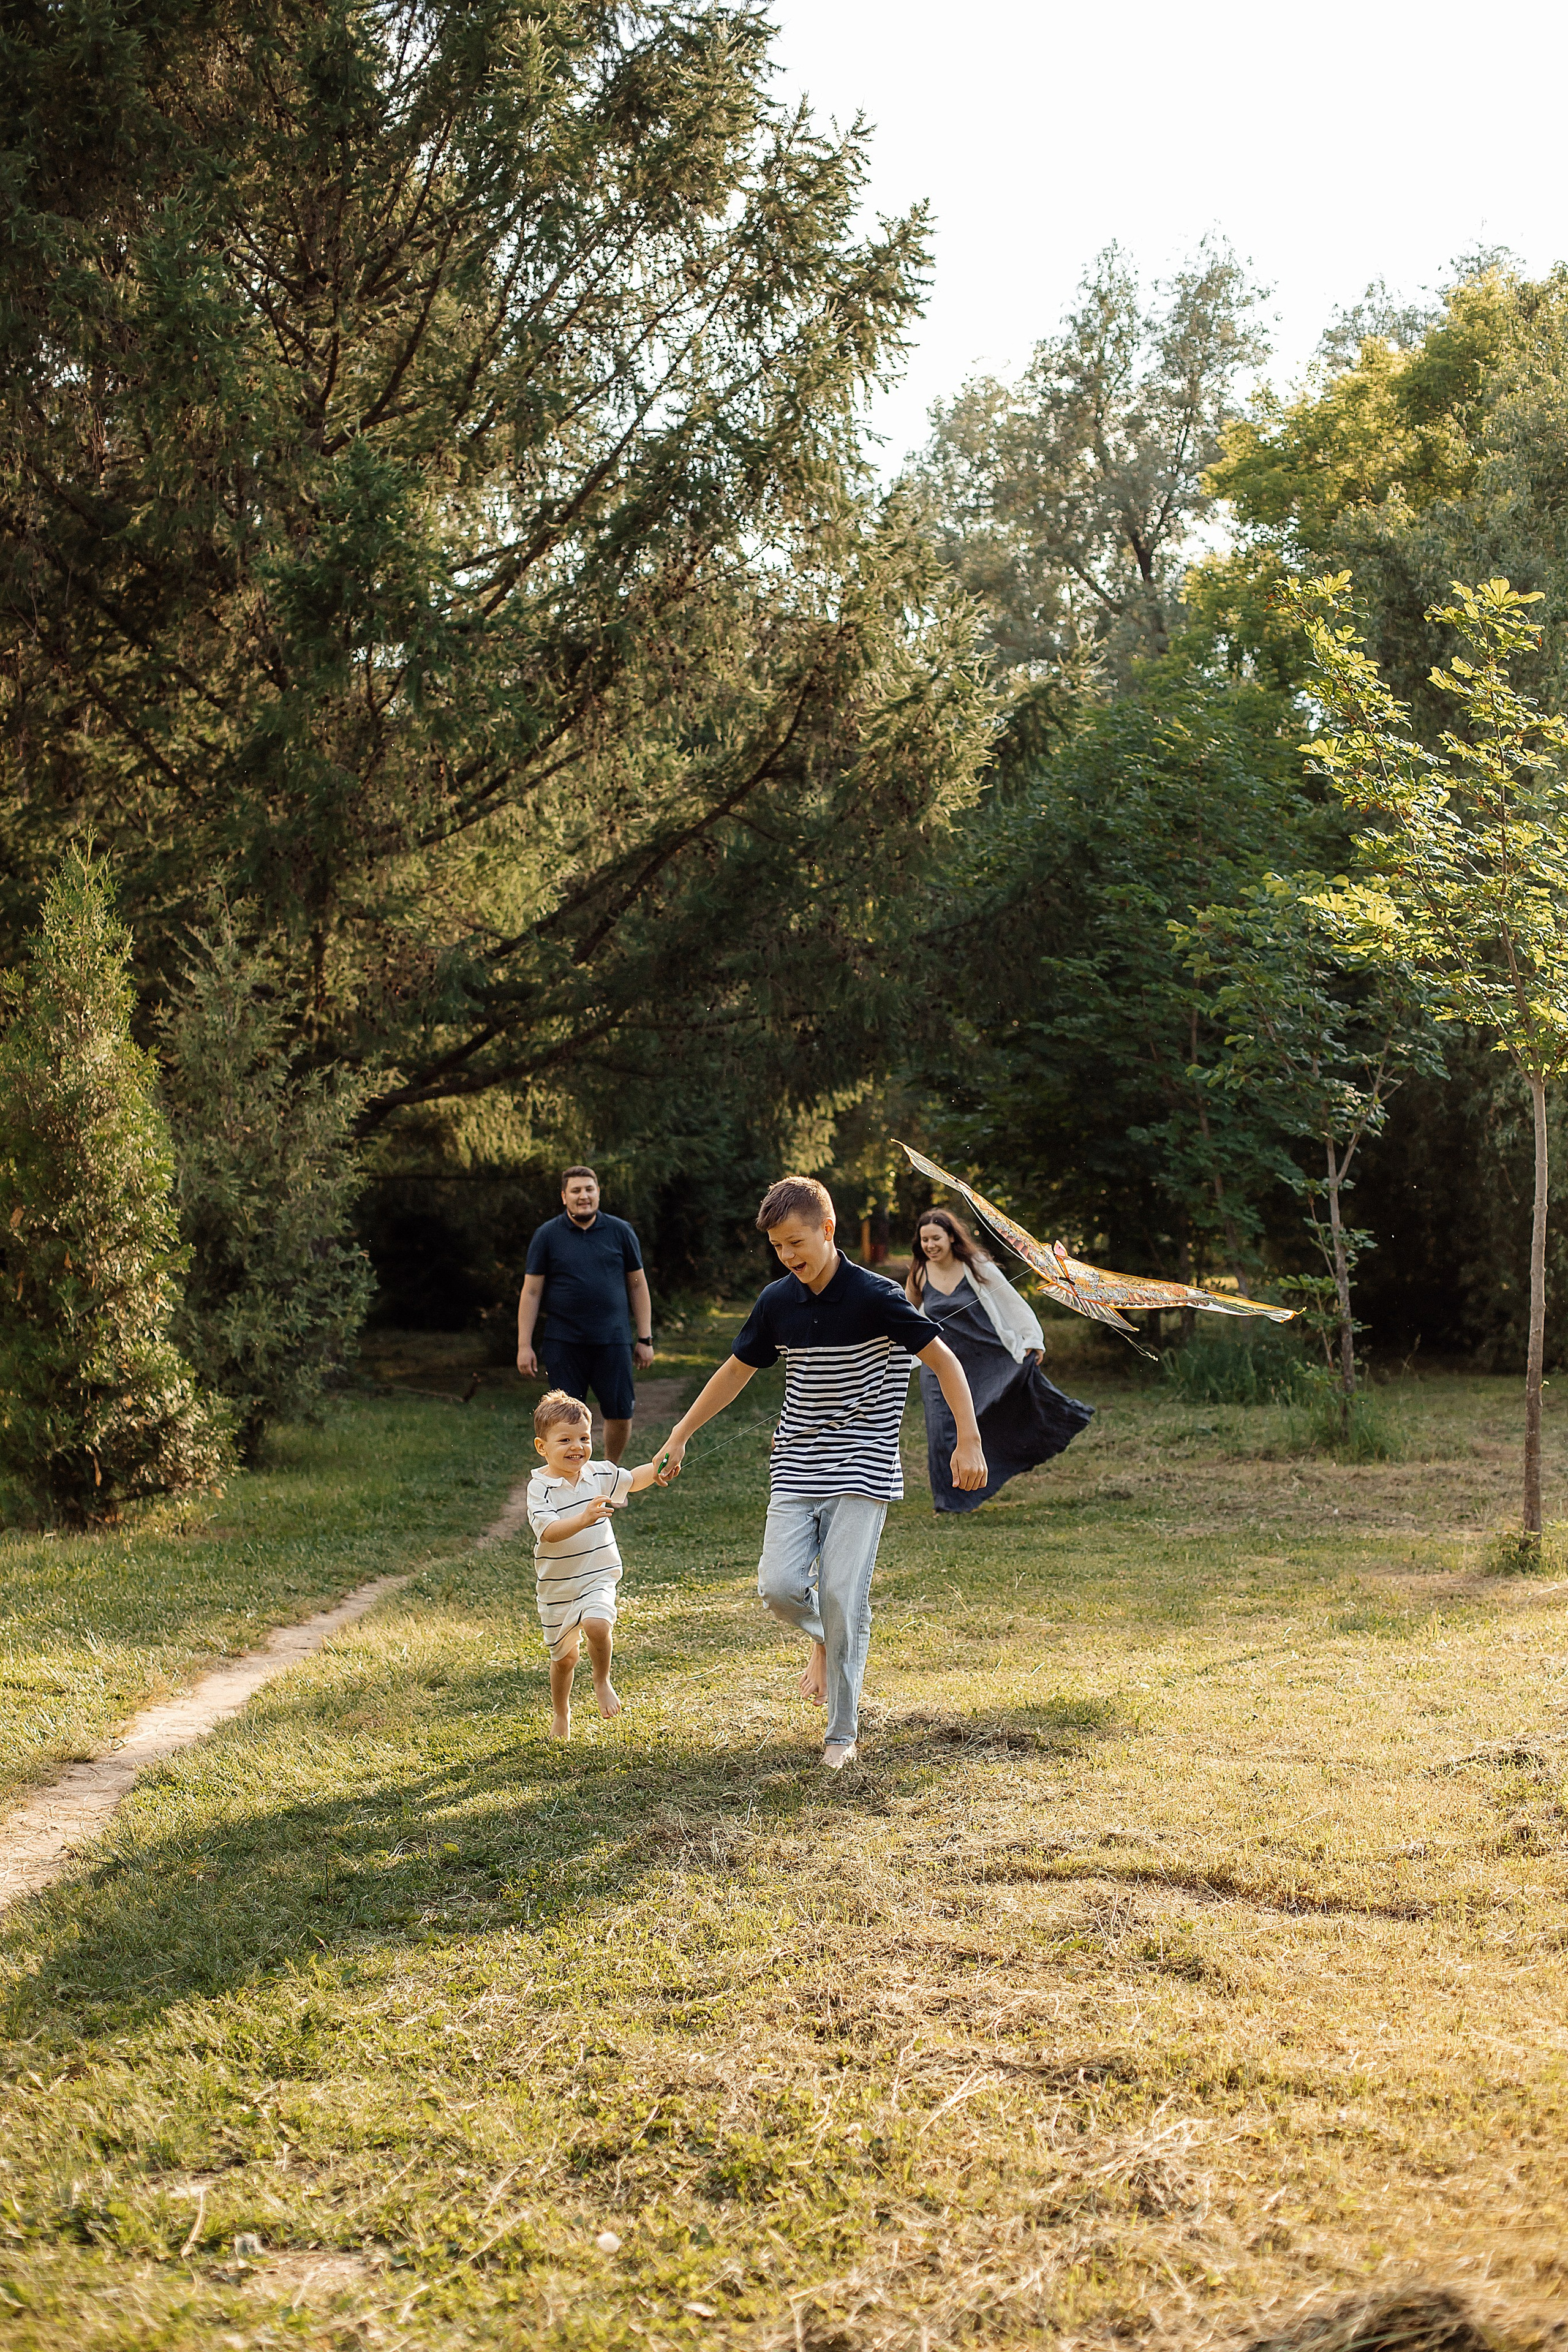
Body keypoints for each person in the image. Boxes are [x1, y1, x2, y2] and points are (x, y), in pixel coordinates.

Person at [656, 1175, 987, 1771]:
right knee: (779, 1589)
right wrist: (681, 1434)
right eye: (778, 1248)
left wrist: (967, 1440)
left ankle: (842, 1732)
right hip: (797, 1465)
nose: (788, 1256)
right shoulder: (777, 1301)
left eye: (796, 1242)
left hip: (863, 1464)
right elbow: (735, 1373)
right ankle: (825, 1635)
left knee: (842, 1592)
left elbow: (944, 1362)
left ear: (827, 1230)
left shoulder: (877, 1296)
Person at [907, 1207, 1093, 1515]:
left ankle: (990, 1472)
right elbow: (906, 1317)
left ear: (952, 1237)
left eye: (936, 1238)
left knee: (987, 1416)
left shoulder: (976, 1265)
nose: (930, 1245)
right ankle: (948, 1502)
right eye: (925, 1240)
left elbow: (1010, 1301)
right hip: (939, 1367)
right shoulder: (919, 1273)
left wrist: (1031, 1339)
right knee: (942, 1432)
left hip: (984, 1357)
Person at [526, 1389, 668, 1740]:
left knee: (597, 1625)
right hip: (557, 1587)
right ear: (542, 1447)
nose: (578, 1447)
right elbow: (550, 1532)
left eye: (585, 1438)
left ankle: (602, 1681)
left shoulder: (600, 1473)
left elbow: (633, 1480)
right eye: (565, 1440)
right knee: (564, 1660)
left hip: (598, 1575)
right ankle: (562, 1713)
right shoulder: (540, 1488)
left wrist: (660, 1466)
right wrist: (584, 1517)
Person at [516, 1166, 654, 1464]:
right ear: (564, 1197)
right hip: (563, 1342)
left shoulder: (621, 1231)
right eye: (576, 1191)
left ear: (598, 1193)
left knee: (620, 1413)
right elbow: (531, 1293)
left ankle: (610, 1473)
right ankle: (569, 1481)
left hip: (613, 1340)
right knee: (563, 1419)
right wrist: (524, 1346)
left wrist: (645, 1338)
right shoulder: (547, 1235)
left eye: (589, 1189)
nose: (584, 1196)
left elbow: (638, 1285)